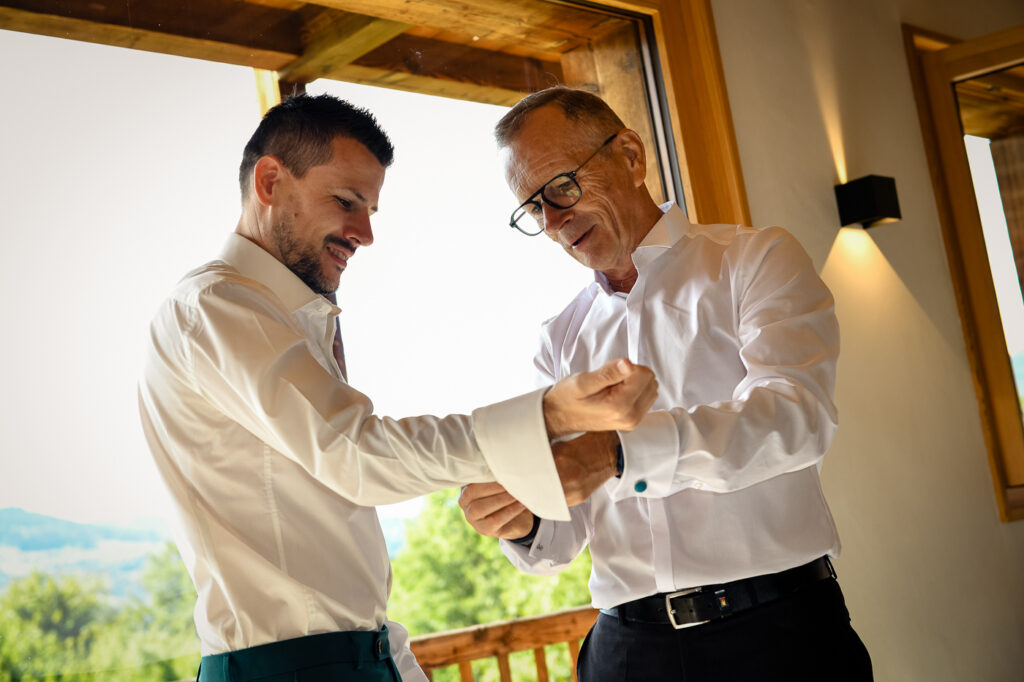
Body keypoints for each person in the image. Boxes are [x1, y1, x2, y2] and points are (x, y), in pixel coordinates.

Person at [137, 93, 658, 682]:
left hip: (363, 656)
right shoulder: (217, 307)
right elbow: (358, 456)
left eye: (371, 211)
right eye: (345, 202)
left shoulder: (289, 317)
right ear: (270, 182)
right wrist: (546, 416)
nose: (365, 233)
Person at [458, 86, 873, 681]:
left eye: (563, 188)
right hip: (627, 655)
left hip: (780, 640)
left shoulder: (754, 262)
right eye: (532, 208)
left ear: (629, 154)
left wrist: (619, 453)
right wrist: (522, 517)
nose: (552, 221)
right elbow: (563, 533)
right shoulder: (559, 341)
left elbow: (794, 419)